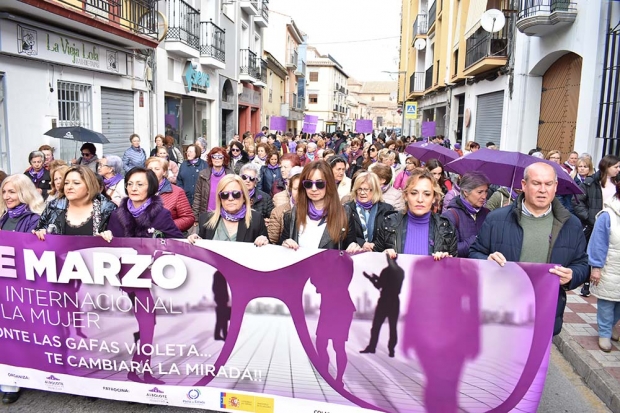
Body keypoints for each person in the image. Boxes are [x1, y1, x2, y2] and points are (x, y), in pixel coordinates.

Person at [470, 162, 589, 336]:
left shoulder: (571, 224)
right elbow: (474, 253)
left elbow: (582, 264)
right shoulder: (496, 219)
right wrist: (486, 261)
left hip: (545, 312)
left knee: (535, 362)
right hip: (501, 310)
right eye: (536, 183)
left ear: (555, 187)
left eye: (548, 184)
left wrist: (572, 275)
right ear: (524, 185)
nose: (543, 189)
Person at [99, 167, 182, 385]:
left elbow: (177, 240)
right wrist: (105, 236)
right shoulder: (117, 213)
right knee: (143, 324)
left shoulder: (161, 214)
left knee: (147, 323)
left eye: (140, 184)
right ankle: (138, 370)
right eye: (130, 184)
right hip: (121, 278)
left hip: (148, 279)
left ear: (151, 187)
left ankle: (139, 370)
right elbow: (109, 245)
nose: (134, 188)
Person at [0, 174, 45, 403]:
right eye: (5, 192)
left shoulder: (34, 218)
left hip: (20, 285)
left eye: (13, 192)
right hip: (2, 281)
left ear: (24, 193)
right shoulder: (2, 217)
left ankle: (13, 382)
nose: (8, 196)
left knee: (16, 332)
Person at [373, 169, 457, 259]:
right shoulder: (389, 223)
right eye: (414, 193)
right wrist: (382, 257)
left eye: (427, 194)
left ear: (434, 198)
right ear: (405, 196)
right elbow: (373, 265)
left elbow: (455, 268)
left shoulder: (446, 228)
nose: (420, 199)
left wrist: (447, 261)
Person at [280, 161, 359, 252]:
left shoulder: (344, 213)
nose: (314, 189)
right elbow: (282, 246)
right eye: (308, 184)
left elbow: (350, 247)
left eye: (320, 184)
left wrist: (354, 247)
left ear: (329, 184)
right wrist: (285, 244)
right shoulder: (294, 213)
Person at [34, 165, 116, 237]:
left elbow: (120, 241)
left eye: (76, 183)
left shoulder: (108, 209)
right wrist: (41, 233)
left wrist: (109, 236)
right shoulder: (53, 207)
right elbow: (39, 230)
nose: (69, 187)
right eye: (66, 183)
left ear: (89, 186)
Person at [188, 174, 269, 246]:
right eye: (225, 195)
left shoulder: (256, 220)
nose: (230, 198)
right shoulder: (206, 219)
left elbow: (266, 254)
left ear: (244, 197)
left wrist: (264, 241)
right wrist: (195, 240)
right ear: (220, 198)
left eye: (236, 194)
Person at [587, 181, 620, 352]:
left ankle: (612, 327)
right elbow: (598, 243)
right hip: (610, 268)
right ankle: (605, 333)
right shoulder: (607, 215)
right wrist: (596, 268)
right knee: (607, 304)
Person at [359, 255, 404, 358]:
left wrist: (371, 279)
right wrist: (376, 278)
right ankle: (391, 350)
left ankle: (372, 347)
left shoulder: (385, 271)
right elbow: (391, 284)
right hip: (395, 302)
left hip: (384, 301)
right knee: (393, 327)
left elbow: (379, 286)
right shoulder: (401, 271)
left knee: (376, 326)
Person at [442, 171, 490, 257]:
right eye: (480, 192)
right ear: (466, 192)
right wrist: (476, 239)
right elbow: (450, 250)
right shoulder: (451, 216)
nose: (484, 196)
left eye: (486, 191)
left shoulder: (487, 214)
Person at [345, 171, 393, 252]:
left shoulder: (387, 209)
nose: (362, 193)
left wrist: (375, 246)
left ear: (375, 190)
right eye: (359, 189)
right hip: (354, 254)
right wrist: (362, 243)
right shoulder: (347, 208)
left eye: (366, 189)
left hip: (379, 255)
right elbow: (344, 235)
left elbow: (389, 236)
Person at [146, 157, 194, 233]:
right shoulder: (141, 190)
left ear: (164, 172)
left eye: (157, 169)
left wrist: (166, 226)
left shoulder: (177, 192)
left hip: (169, 238)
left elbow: (188, 218)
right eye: (150, 169)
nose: (152, 172)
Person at [192, 147, 233, 221]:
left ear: (224, 159)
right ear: (211, 158)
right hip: (206, 215)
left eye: (220, 157)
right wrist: (195, 217)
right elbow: (198, 196)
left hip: (225, 215)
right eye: (214, 156)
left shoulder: (230, 175)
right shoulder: (203, 174)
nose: (217, 159)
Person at [268, 166, 303, 244]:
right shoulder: (278, 212)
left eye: (302, 188)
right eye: (296, 189)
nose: (300, 192)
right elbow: (272, 242)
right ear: (290, 189)